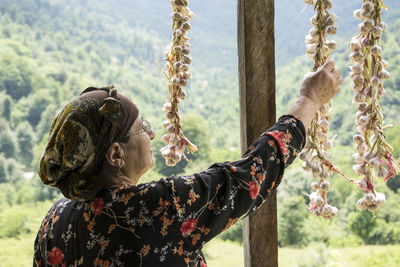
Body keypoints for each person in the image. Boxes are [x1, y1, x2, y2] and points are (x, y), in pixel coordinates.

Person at [33, 59, 342, 267]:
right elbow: (251, 174)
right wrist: (309, 100)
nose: (152, 133)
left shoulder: (53, 224)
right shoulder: (155, 208)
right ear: (116, 155)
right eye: (143, 128)